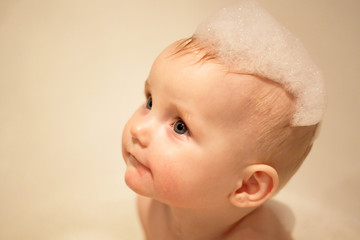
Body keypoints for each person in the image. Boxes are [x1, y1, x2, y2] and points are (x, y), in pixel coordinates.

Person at [121, 1, 325, 239]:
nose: (138, 129)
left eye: (180, 127)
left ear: (247, 186)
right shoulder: (149, 206)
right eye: (150, 102)